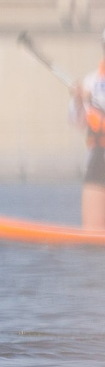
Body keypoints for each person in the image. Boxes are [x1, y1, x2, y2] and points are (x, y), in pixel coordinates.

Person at [76, 30, 105, 231]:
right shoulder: (91, 82)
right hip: (99, 156)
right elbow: (78, 122)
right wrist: (79, 100)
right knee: (92, 232)